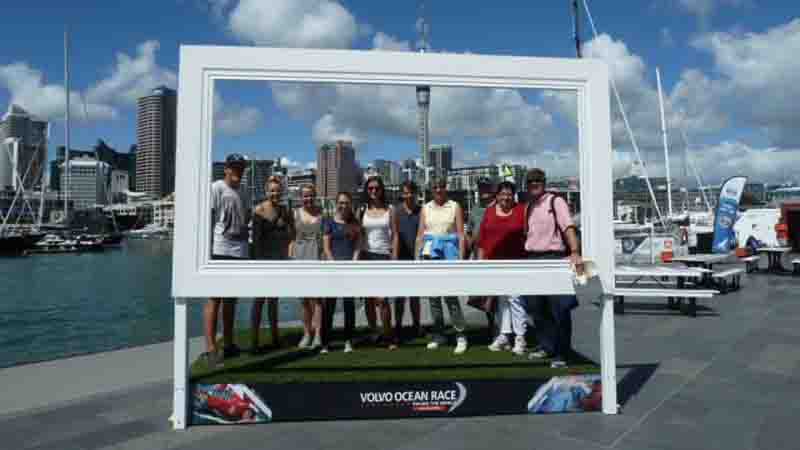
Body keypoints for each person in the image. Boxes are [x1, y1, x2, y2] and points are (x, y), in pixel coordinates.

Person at [521, 168, 583, 369]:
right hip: (533, 259)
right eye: (530, 181)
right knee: (536, 307)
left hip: (554, 258)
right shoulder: (528, 206)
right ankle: (546, 346)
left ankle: (563, 353)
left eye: (538, 180)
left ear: (544, 182)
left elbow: (568, 227)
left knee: (560, 309)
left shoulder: (556, 202)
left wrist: (574, 251)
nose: (534, 183)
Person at [203, 153, 250, 368]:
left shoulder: (245, 191)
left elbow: (246, 217)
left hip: (240, 250)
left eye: (241, 168)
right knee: (215, 298)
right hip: (220, 248)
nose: (238, 171)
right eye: (235, 167)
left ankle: (229, 343)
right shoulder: (216, 188)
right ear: (227, 168)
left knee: (231, 299)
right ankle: (211, 347)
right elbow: (208, 218)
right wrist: (205, 250)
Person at [415, 177, 468, 354]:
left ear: (446, 188)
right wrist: (417, 259)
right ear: (431, 190)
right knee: (433, 298)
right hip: (430, 254)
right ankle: (439, 334)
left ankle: (460, 335)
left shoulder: (455, 206)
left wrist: (461, 259)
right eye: (435, 187)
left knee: (451, 297)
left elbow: (461, 234)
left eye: (441, 186)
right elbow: (420, 235)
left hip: (449, 255)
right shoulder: (426, 208)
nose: (438, 190)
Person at [478, 181, 528, 355]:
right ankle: (504, 334)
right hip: (494, 263)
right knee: (501, 301)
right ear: (497, 196)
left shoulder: (522, 210)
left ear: (513, 195)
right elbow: (483, 238)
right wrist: (481, 261)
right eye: (502, 194)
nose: (506, 197)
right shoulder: (490, 211)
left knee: (515, 299)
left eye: (509, 194)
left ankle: (520, 338)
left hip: (516, 262)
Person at [250, 176, 294, 353]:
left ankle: (275, 337)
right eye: (272, 190)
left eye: (278, 190)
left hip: (279, 259)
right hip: (263, 260)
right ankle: (255, 341)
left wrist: (288, 255)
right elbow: (256, 242)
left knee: (274, 300)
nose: (275, 193)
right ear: (267, 192)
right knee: (259, 300)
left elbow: (291, 234)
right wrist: (259, 264)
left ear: (281, 192)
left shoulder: (285, 210)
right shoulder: (259, 211)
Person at [359, 176, 399, 349]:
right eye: (370, 189)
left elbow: (396, 235)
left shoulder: (390, 210)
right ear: (366, 191)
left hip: (384, 257)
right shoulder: (361, 210)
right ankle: (374, 332)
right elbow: (358, 234)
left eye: (376, 188)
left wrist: (394, 257)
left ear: (382, 190)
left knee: (382, 300)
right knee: (368, 300)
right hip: (366, 256)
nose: (373, 191)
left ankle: (388, 335)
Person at [321, 192, 362, 353]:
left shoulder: (354, 223)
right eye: (340, 202)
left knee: (349, 305)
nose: (343, 205)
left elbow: (358, 244)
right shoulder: (329, 222)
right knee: (329, 306)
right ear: (336, 204)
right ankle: (325, 343)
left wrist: (353, 262)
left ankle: (348, 340)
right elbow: (326, 247)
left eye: (346, 202)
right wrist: (333, 264)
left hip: (349, 269)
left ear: (350, 204)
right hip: (333, 270)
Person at [291, 184, 324, 350]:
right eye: (305, 196)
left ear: (315, 196)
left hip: (317, 257)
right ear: (300, 197)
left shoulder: (322, 214)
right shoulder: (295, 213)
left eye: (311, 196)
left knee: (317, 300)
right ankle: (307, 333)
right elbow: (290, 237)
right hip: (300, 258)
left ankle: (317, 333)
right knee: (304, 300)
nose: (308, 199)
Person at [466, 179, 497, 336]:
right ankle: (492, 327)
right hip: (479, 255)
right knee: (484, 295)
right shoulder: (475, 209)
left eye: (487, 186)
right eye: (481, 187)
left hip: (496, 255)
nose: (484, 190)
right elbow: (470, 233)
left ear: (493, 188)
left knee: (497, 295)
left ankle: (502, 329)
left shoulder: (499, 206)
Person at [392, 181, 422, 339]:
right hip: (401, 258)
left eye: (411, 192)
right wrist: (395, 259)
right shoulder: (396, 212)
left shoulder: (421, 211)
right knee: (399, 297)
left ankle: (416, 325)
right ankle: (397, 325)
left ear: (416, 194)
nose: (408, 195)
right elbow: (395, 236)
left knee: (415, 297)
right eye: (405, 192)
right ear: (402, 194)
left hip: (416, 259)